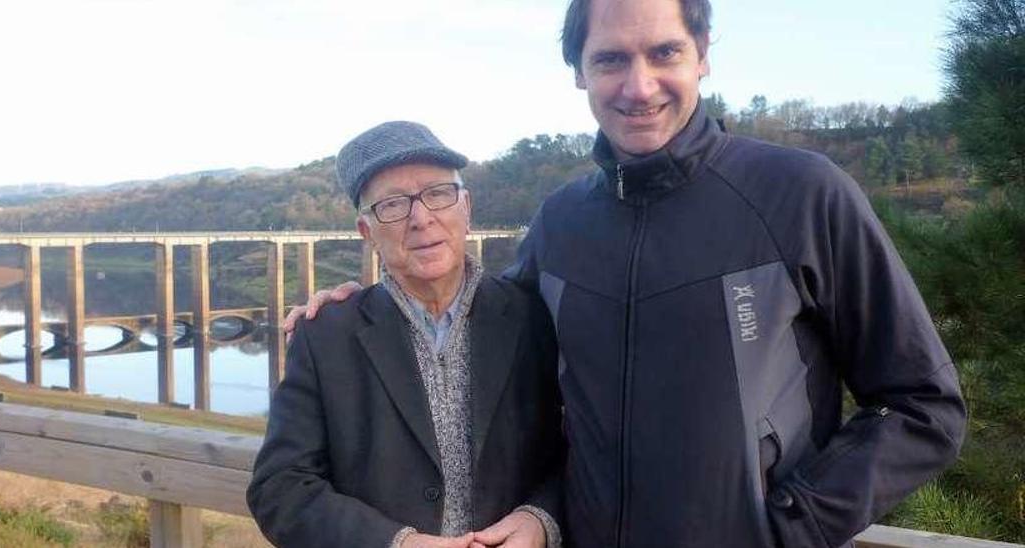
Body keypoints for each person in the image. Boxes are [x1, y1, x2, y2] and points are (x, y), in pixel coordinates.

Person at [287, 1, 968, 546]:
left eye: (664, 52)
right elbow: (474, 326)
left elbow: (924, 406)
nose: (638, 86)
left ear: (702, 56)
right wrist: (359, 308)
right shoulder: (560, 223)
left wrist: (795, 523)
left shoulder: (801, 195)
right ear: (580, 71)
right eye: (611, 58)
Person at [248, 121, 565, 548]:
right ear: (367, 232)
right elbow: (280, 488)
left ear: (466, 208)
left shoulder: (534, 317)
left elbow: (586, 450)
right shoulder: (327, 336)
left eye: (438, 194)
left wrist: (540, 520)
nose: (421, 218)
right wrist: (395, 543)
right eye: (393, 205)